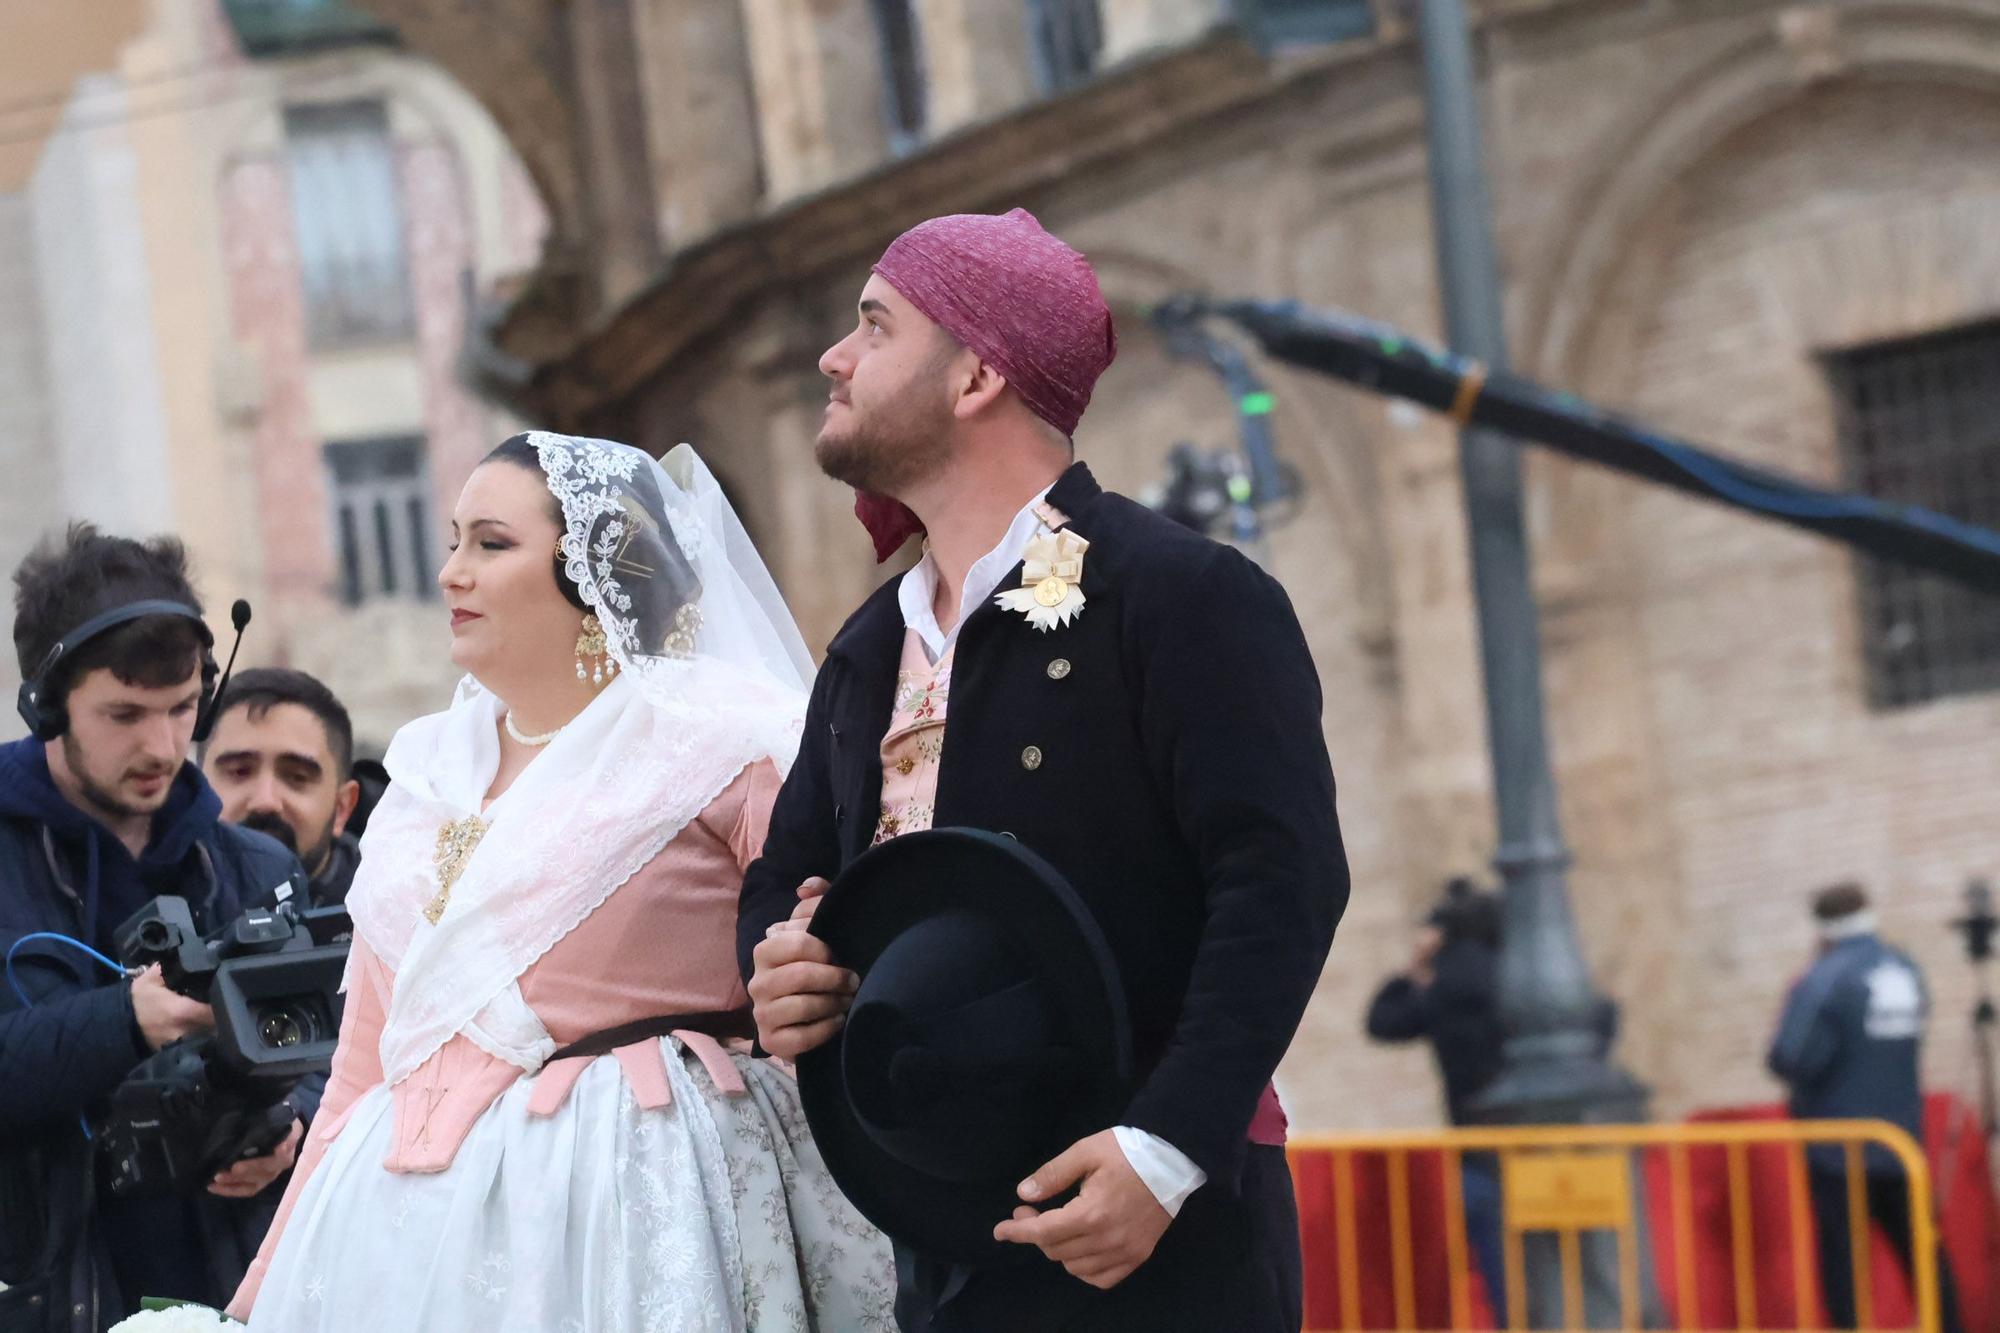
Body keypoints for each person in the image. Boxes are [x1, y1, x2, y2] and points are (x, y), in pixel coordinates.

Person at [741, 208, 1348, 1331]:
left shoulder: (1176, 596)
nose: (834, 357)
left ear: (975, 373)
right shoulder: (867, 647)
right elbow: (785, 879)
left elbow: (1281, 881)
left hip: (1148, 1232)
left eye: (873, 327)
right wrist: (779, 967)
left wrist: (1164, 1150)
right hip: (929, 1217)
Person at [229, 433, 895, 1331]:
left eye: (491, 543)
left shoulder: (724, 739)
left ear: (597, 565)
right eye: (454, 540)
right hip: (391, 1246)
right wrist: (256, 1296)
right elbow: (361, 1069)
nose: (451, 574)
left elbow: (838, 958)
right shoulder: (426, 773)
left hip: (631, 1215)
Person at [0, 525, 307, 1331]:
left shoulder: (259, 869)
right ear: (46, 705)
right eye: (124, 713)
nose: (163, 744)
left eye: (181, 709)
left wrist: (295, 1125)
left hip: (240, 1293)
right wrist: (125, 1020)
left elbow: (345, 1050)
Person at [1768, 883, 1964, 1333]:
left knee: (1844, 1269)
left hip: (1839, 1149)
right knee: (1925, 1257)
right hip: (1901, 1142)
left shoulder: (1825, 977)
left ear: (1823, 929)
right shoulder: (1905, 969)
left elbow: (1790, 1055)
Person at [1365, 878, 1508, 1319]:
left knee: (1501, 1265)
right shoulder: (1518, 976)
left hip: (1478, 1147)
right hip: (1548, 1141)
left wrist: (1415, 967)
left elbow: (1382, 1022)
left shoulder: (1444, 987)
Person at [202, 669, 361, 907]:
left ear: (342, 808)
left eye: (297, 777)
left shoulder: (399, 930)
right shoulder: (141, 901)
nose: (265, 801)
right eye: (239, 771)